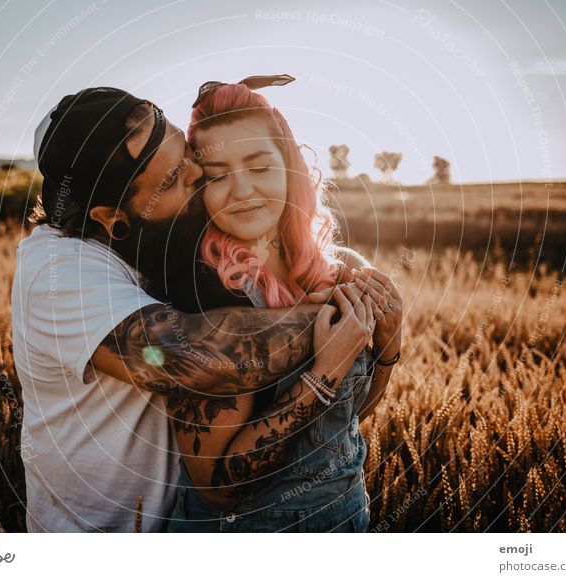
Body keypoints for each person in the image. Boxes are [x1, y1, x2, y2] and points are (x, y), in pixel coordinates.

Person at [11, 87, 359, 532]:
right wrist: (351, 312)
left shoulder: (161, 238)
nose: (198, 173)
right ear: (111, 217)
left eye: (189, 154)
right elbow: (193, 357)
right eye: (173, 179)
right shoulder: (59, 273)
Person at [162, 76, 403, 532]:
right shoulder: (208, 290)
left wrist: (387, 347)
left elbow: (339, 422)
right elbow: (216, 484)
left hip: (347, 517)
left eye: (259, 166)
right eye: (217, 176)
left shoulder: (327, 269)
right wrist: (323, 372)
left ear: (289, 168)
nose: (242, 191)